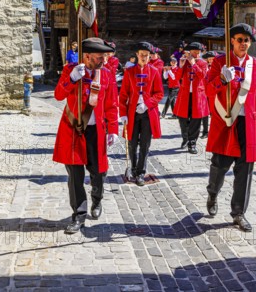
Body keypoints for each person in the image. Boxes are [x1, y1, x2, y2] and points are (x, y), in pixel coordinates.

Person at [205, 23, 256, 232]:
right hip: (226, 122)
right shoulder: (219, 62)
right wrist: (222, 79)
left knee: (245, 171)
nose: (243, 44)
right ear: (232, 40)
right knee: (220, 166)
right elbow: (207, 89)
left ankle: (238, 213)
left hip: (249, 125)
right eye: (240, 39)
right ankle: (213, 193)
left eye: (247, 40)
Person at [53, 38, 118, 234]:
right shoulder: (71, 71)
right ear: (87, 56)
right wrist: (71, 79)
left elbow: (111, 104)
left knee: (98, 172)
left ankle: (97, 200)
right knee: (75, 175)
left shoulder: (106, 75)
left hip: (96, 131)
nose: (103, 61)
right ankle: (78, 215)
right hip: (73, 130)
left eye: (105, 57)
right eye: (100, 57)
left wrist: (113, 129)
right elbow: (58, 95)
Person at [119, 42, 164, 186]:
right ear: (137, 55)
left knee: (145, 144)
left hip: (147, 113)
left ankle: (141, 173)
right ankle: (132, 168)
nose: (144, 57)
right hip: (132, 112)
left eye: (147, 55)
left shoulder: (154, 71)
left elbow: (159, 93)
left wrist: (147, 104)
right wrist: (123, 113)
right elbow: (123, 94)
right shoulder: (129, 72)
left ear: (150, 56)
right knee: (132, 143)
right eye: (141, 54)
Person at [173, 41, 209, 154]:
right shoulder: (184, 61)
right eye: (195, 52)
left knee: (196, 121)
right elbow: (177, 77)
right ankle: (185, 139)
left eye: (199, 52)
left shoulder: (203, 63)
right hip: (185, 95)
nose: (197, 54)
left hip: (198, 96)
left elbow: (202, 76)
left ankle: (192, 143)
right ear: (190, 52)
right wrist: (181, 66)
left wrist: (194, 64)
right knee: (182, 119)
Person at [201, 51, 217, 139]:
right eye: (209, 58)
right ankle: (205, 131)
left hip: (214, 94)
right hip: (204, 93)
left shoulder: (218, 68)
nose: (211, 60)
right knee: (204, 113)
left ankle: (214, 130)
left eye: (212, 59)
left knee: (214, 113)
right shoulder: (205, 66)